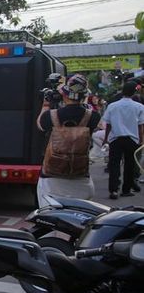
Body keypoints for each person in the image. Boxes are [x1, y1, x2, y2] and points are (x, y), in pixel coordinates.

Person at [35, 74, 100, 207]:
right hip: (81, 178)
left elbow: (40, 125)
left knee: (50, 214)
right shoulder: (93, 117)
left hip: (52, 180)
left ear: (64, 94)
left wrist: (46, 104)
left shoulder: (50, 116)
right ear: (84, 96)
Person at [102, 81, 144, 199]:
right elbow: (140, 126)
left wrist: (106, 139)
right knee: (129, 165)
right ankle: (126, 190)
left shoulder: (112, 106)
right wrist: (141, 140)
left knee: (114, 165)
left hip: (115, 139)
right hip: (132, 140)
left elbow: (108, 124)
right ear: (134, 92)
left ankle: (113, 190)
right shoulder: (139, 107)